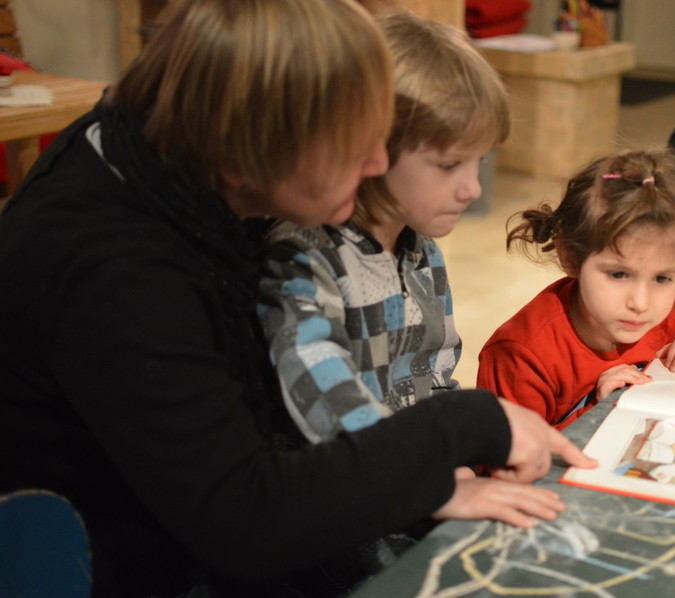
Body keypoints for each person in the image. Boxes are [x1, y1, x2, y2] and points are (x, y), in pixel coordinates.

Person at [0, 1, 595, 597]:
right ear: (254, 147)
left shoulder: (165, 151)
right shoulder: (120, 271)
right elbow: (244, 520)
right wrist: (460, 427)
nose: (377, 163)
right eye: (352, 145)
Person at [257, 8, 556, 584]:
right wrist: (431, 482)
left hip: (414, 486)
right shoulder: (304, 253)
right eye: (448, 165)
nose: (472, 188)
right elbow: (323, 394)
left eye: (478, 162)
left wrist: (460, 468)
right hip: (335, 515)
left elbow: (434, 379)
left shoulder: (422, 251)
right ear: (372, 150)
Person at [477, 148, 675, 430]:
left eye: (662, 279)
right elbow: (511, 452)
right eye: (619, 274)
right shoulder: (522, 356)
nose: (641, 303)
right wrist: (599, 411)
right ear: (570, 257)